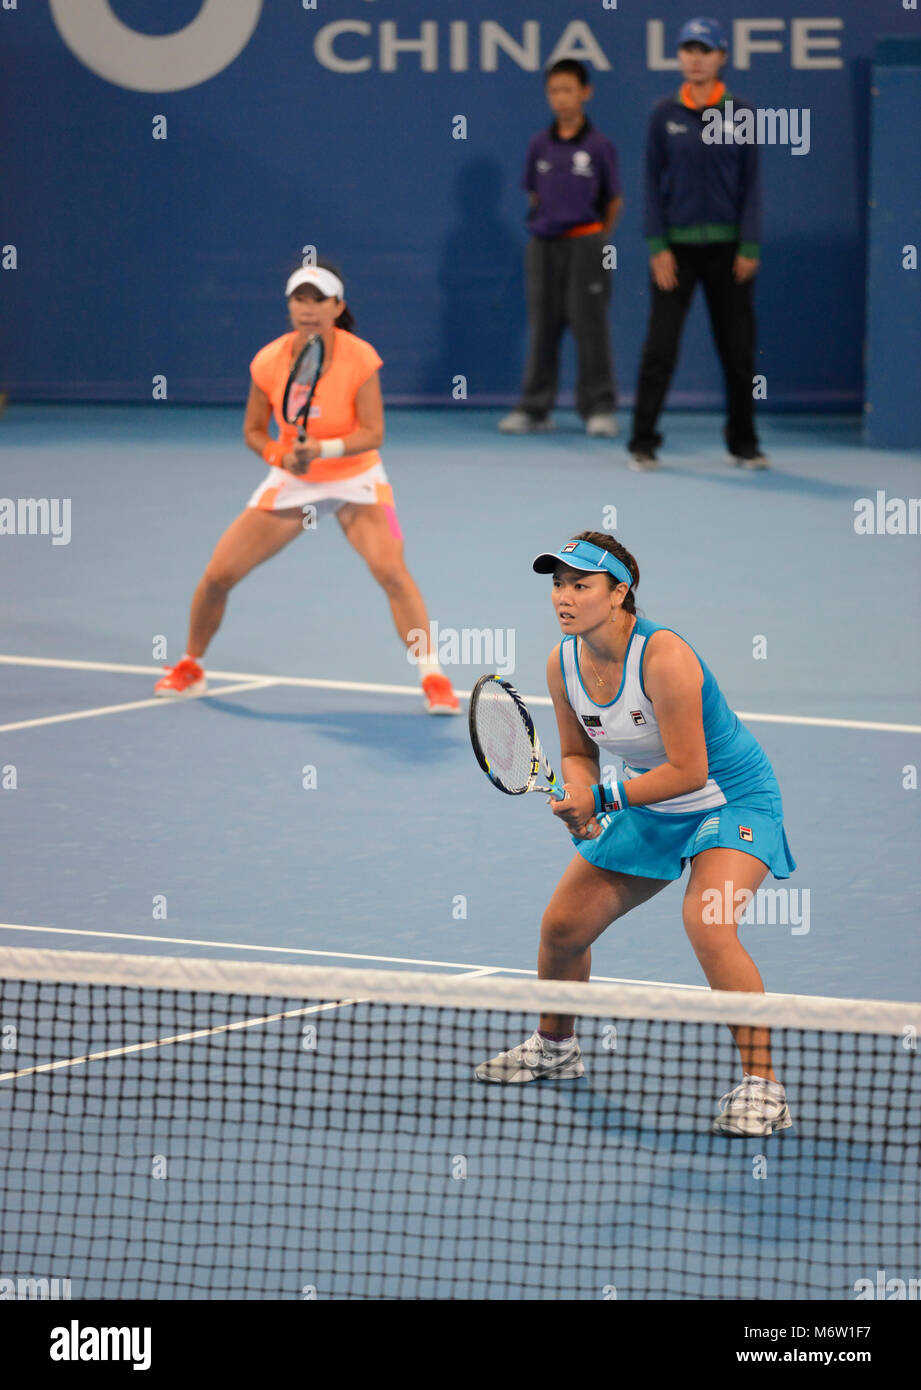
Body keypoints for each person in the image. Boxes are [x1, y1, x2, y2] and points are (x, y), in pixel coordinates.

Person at [475, 531, 796, 1137]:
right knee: (563, 927)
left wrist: (602, 797)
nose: (564, 597)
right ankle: (555, 1045)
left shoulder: (665, 655)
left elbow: (690, 770)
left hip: (730, 798)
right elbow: (575, 752)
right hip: (652, 800)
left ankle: (765, 1088)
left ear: (619, 593)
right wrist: (577, 792)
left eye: (582, 584)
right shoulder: (561, 662)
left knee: (708, 920)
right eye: (557, 584)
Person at [154, 261, 459, 714]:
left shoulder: (361, 358)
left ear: (338, 307)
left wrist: (323, 447)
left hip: (360, 480)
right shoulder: (269, 361)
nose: (308, 309)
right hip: (294, 481)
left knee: (392, 570)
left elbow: (373, 433)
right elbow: (255, 431)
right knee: (218, 575)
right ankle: (190, 664)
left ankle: (433, 676)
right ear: (290, 306)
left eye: (319, 300)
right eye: (300, 299)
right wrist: (283, 456)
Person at [629, 17, 767, 471]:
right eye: (688, 49)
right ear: (679, 57)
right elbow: (650, 183)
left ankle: (744, 444)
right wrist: (658, 246)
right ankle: (643, 442)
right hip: (676, 254)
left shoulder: (742, 112)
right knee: (659, 349)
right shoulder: (662, 115)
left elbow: (751, 185)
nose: (695, 58)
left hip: (729, 254)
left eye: (704, 50)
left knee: (738, 351)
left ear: (721, 57)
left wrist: (749, 245)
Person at [499, 59, 623, 438]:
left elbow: (614, 199)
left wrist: (598, 239)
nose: (561, 98)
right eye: (554, 90)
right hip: (543, 246)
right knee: (543, 328)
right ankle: (536, 408)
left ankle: (599, 408)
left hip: (586, 243)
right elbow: (535, 192)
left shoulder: (600, 146)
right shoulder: (540, 144)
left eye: (569, 90)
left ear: (586, 93)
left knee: (591, 328)